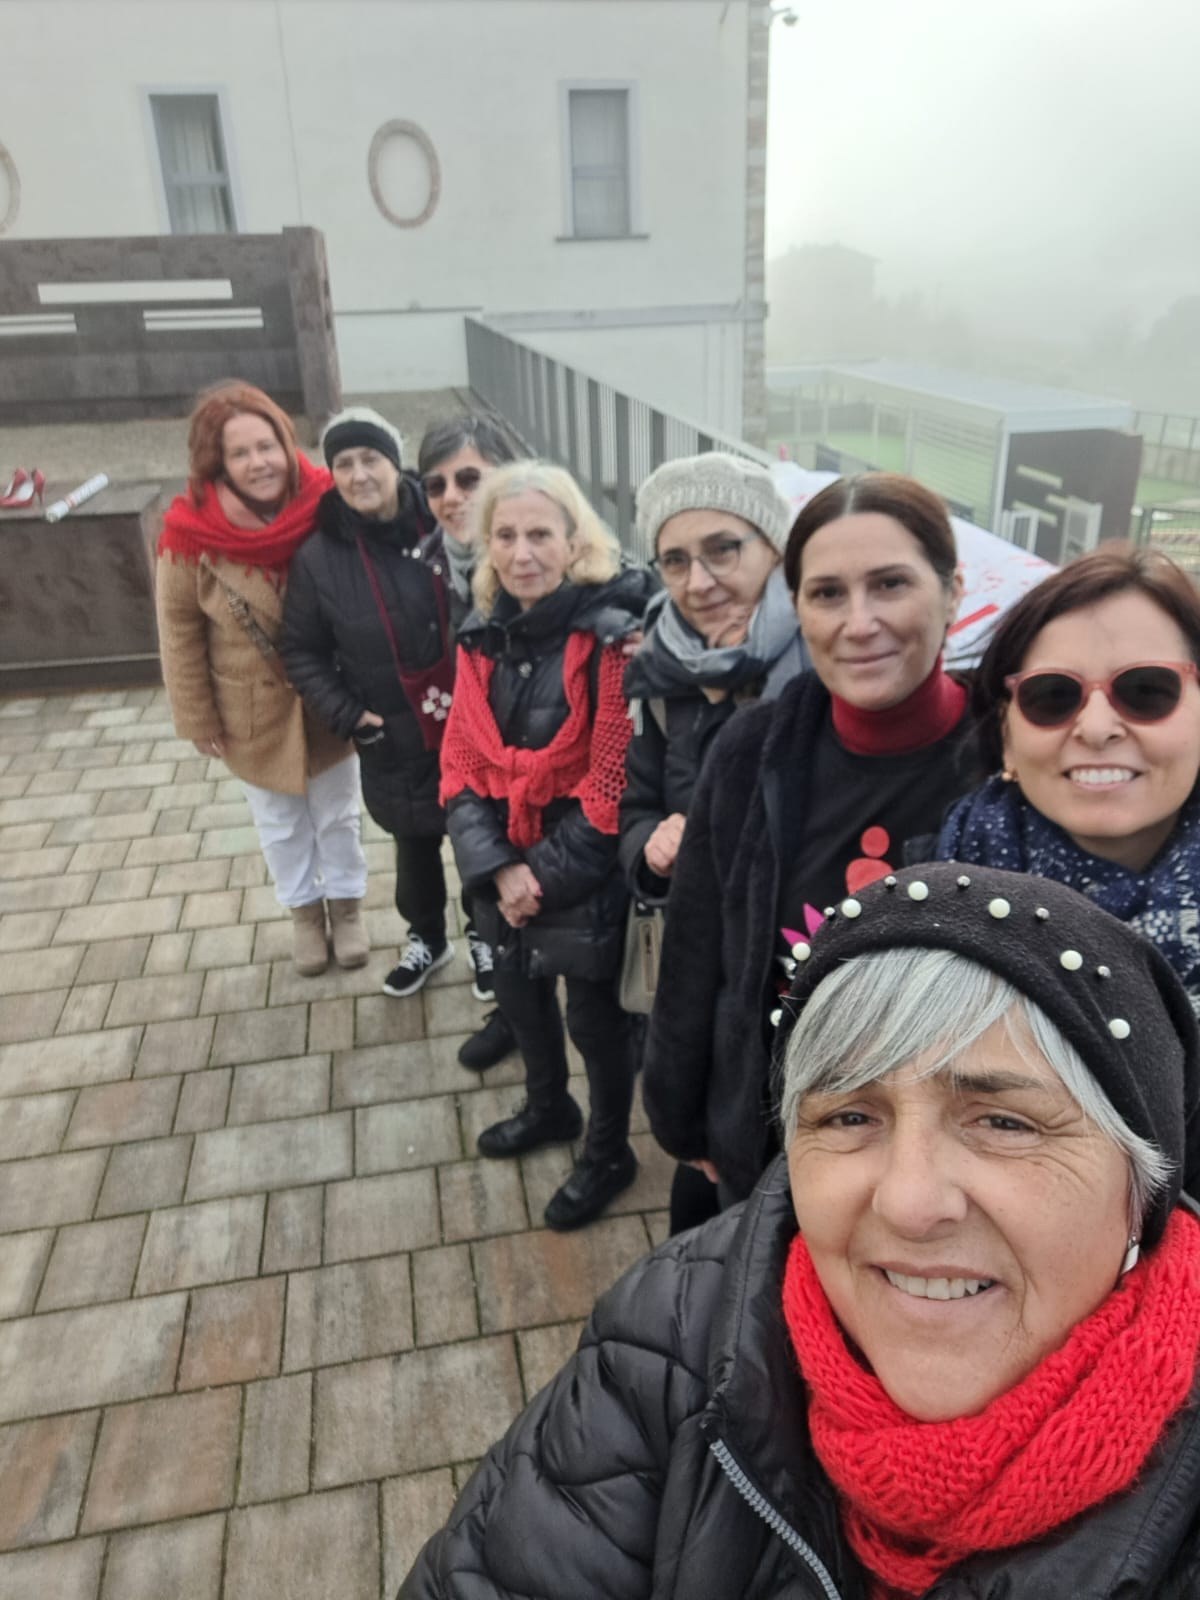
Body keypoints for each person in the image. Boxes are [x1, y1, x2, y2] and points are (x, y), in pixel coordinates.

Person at [400, 862, 1200, 1599]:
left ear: (1143, 1189)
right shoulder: (675, 1333)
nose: (910, 1202)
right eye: (850, 1116)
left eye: (1004, 1122)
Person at [644, 472, 978, 1204]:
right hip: (771, 1141)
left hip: (937, 1174)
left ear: (952, 591)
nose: (859, 623)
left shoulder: (1008, 762)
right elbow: (697, 947)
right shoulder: (752, 750)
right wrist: (685, 1120)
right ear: (797, 607)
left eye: (890, 584)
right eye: (827, 594)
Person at [439, 460, 651, 1230]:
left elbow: (613, 781)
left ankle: (609, 1152)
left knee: (595, 1024)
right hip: (503, 861)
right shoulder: (479, 634)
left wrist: (539, 879)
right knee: (521, 999)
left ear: (574, 540)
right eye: (505, 535)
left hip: (583, 868)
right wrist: (498, 870)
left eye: (540, 534)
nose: (522, 553)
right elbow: (461, 763)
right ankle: (548, 1106)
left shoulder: (610, 639)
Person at [620, 450, 808, 1231]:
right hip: (701, 990)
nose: (699, 582)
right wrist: (650, 849)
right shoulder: (660, 674)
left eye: (724, 549)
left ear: (776, 551)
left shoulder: (832, 668)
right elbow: (633, 806)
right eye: (675, 560)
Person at [155, 382, 368, 976]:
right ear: (217, 463)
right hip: (249, 710)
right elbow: (178, 631)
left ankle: (347, 906)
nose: (259, 462)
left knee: (339, 814)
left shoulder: (327, 507)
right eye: (240, 453)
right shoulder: (189, 535)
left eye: (267, 445)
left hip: (328, 698)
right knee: (280, 824)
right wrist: (196, 717)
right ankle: (305, 914)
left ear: (286, 443)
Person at [938, 544, 1200, 1012]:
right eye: (1052, 695)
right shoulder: (932, 907)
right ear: (1006, 735)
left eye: (1146, 690)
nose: (1096, 728)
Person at [281, 407, 457, 998]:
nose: (359, 475)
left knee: (482, 840)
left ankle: (489, 940)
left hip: (470, 723)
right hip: (392, 733)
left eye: (371, 459)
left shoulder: (446, 522)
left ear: (395, 462)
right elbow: (301, 649)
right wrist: (349, 716)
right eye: (344, 463)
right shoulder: (319, 556)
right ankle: (428, 938)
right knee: (414, 845)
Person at [417, 414, 520, 1071]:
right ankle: (512, 1013)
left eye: (468, 478)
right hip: (473, 769)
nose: (452, 496)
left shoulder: (543, 559)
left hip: (544, 768)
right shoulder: (430, 566)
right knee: (490, 903)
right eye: (436, 484)